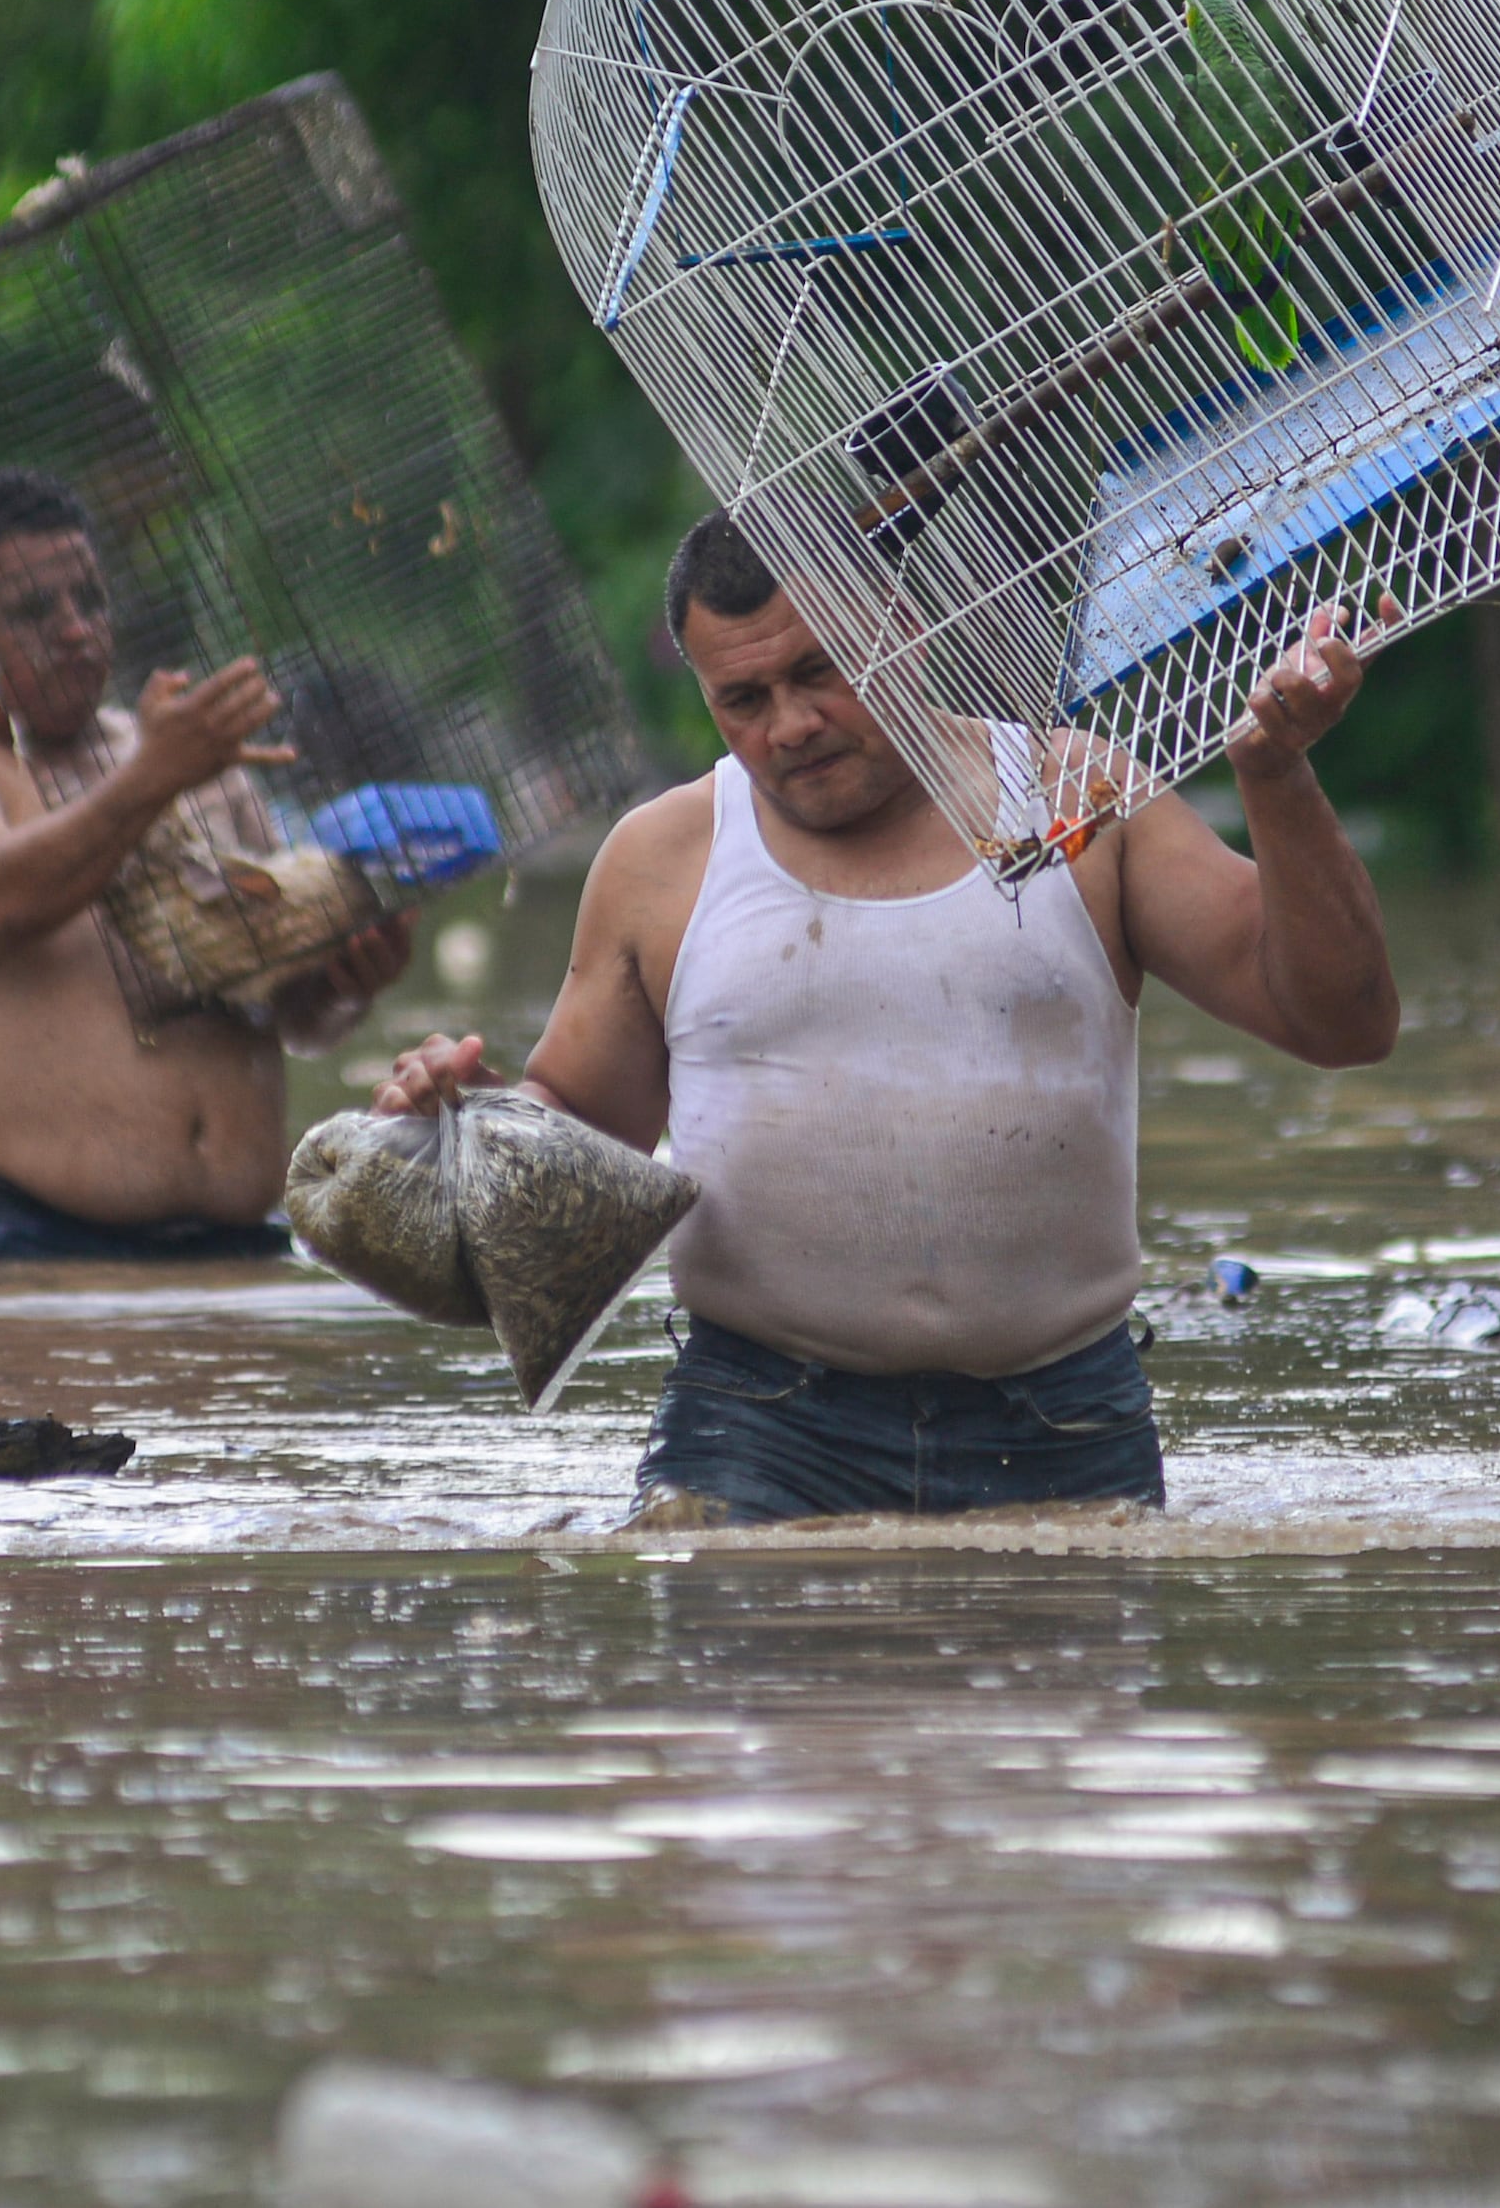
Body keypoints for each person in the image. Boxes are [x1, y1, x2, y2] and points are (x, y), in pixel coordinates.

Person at [371, 510, 1396, 1522]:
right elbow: (582, 1140)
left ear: (901, 629)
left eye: (819, 673)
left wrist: (1275, 776)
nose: (789, 725)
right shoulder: (662, 857)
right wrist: (465, 1132)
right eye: (742, 697)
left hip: (1062, 1418)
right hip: (759, 1424)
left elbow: (1344, 1023)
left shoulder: (1074, 797)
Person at [0, 467, 409, 1261]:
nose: (76, 630)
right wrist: (154, 776)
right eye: (35, 609)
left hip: (243, 1248)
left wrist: (343, 982)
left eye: (90, 600)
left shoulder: (190, 755)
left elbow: (290, 1015)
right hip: (24, 1256)